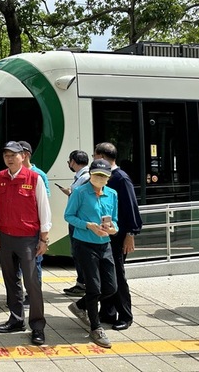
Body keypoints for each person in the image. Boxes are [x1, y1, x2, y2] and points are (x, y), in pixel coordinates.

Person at [0, 141, 51, 346]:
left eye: (13, 154)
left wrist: (44, 238)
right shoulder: (0, 177)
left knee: (32, 284)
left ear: (23, 156)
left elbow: (44, 210)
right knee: (11, 281)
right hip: (6, 236)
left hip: (28, 239)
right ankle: (16, 320)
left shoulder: (35, 178)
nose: (9, 158)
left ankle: (37, 326)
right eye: (6, 154)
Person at [64, 159, 119, 348]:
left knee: (111, 287)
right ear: (90, 175)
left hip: (105, 245)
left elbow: (115, 220)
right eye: (96, 175)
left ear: (108, 178)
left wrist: (113, 229)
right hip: (85, 244)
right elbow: (69, 216)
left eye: (103, 176)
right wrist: (88, 225)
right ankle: (96, 327)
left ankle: (80, 305)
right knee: (94, 288)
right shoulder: (79, 192)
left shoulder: (112, 194)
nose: (99, 179)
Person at [93, 142, 143, 330]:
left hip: (118, 236)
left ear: (102, 157)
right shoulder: (102, 177)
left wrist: (130, 233)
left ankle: (125, 315)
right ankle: (107, 311)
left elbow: (131, 208)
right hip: (103, 235)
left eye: (95, 156)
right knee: (106, 275)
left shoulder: (121, 178)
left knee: (117, 276)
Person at [19, 141, 49, 306]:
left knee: (34, 263)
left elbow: (44, 202)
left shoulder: (39, 175)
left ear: (26, 155)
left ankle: (33, 295)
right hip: (17, 229)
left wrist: (44, 234)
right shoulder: (9, 174)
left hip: (33, 228)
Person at [62, 150, 91, 297]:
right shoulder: (81, 176)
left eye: (69, 160)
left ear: (74, 161)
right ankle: (82, 282)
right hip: (78, 220)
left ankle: (83, 284)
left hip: (79, 221)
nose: (69, 163)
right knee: (77, 252)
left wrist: (71, 193)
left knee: (79, 252)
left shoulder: (85, 177)